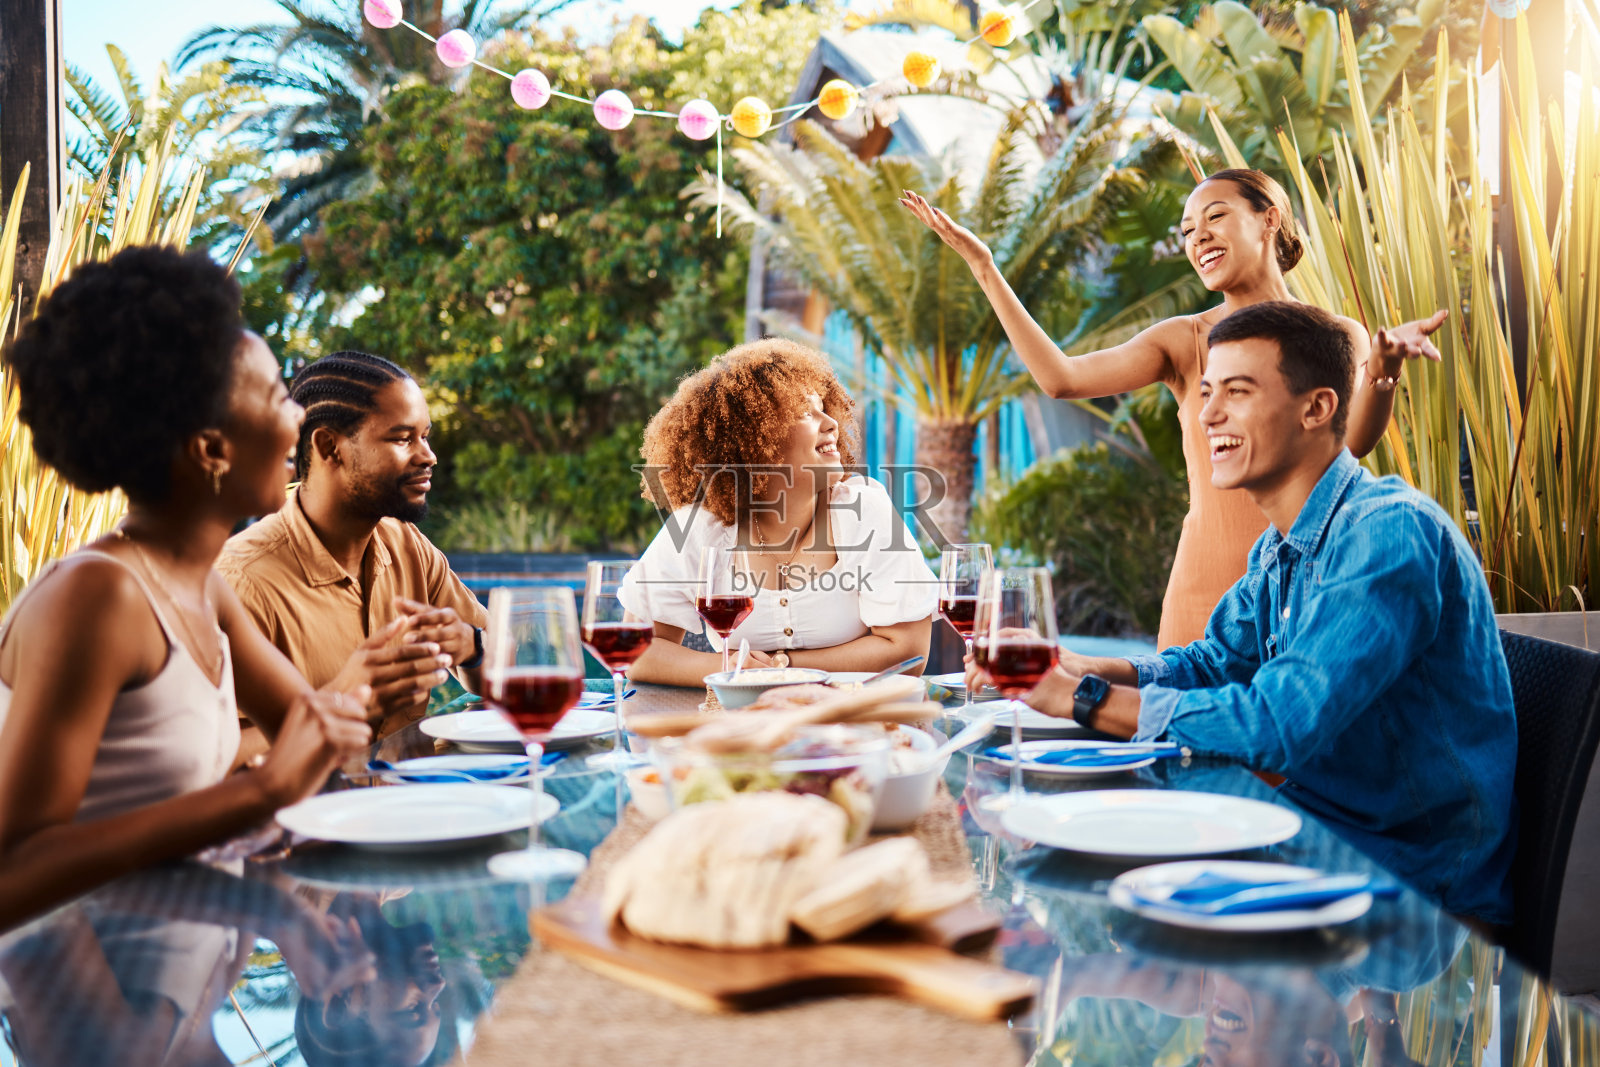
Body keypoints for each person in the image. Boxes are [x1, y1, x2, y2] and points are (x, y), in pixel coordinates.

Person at [995, 302, 1516, 923]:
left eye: (1236, 393)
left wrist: (1081, 698)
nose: (1206, 414)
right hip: (1302, 844)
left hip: (1410, 893)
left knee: (1089, 906)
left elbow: (1276, 723)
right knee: (1061, 866)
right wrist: (1088, 666)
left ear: (1318, 408)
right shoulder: (1280, 544)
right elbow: (1217, 661)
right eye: (1206, 392)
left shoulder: (1387, 534)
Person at [0, 247, 398, 931]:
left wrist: (399, 657)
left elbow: (314, 733)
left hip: (182, 974)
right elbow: (13, 871)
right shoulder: (98, 597)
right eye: (278, 395)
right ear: (211, 449)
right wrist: (263, 791)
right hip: (74, 1002)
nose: (298, 419)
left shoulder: (200, 586)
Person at [900, 170, 1447, 648]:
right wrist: (985, 267)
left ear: (1269, 219)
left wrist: (1383, 371)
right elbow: (1060, 378)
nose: (1197, 236)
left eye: (1215, 216)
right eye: (1187, 230)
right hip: (1203, 593)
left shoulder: (1337, 336)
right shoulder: (1186, 340)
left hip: (1312, 583)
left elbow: (1350, 444)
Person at [620, 339, 936, 686]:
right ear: (751, 440)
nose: (831, 423)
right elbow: (637, 650)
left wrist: (780, 667)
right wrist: (731, 672)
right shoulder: (701, 528)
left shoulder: (862, 511)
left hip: (855, 726)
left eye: (824, 408)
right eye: (806, 413)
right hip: (742, 729)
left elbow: (907, 652)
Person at [218, 351, 487, 747]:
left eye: (425, 436)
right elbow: (216, 759)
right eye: (402, 438)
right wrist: (348, 707)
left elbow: (513, 672)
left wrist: (472, 645)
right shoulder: (242, 583)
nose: (428, 456)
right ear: (329, 447)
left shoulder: (407, 545)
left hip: (419, 801)